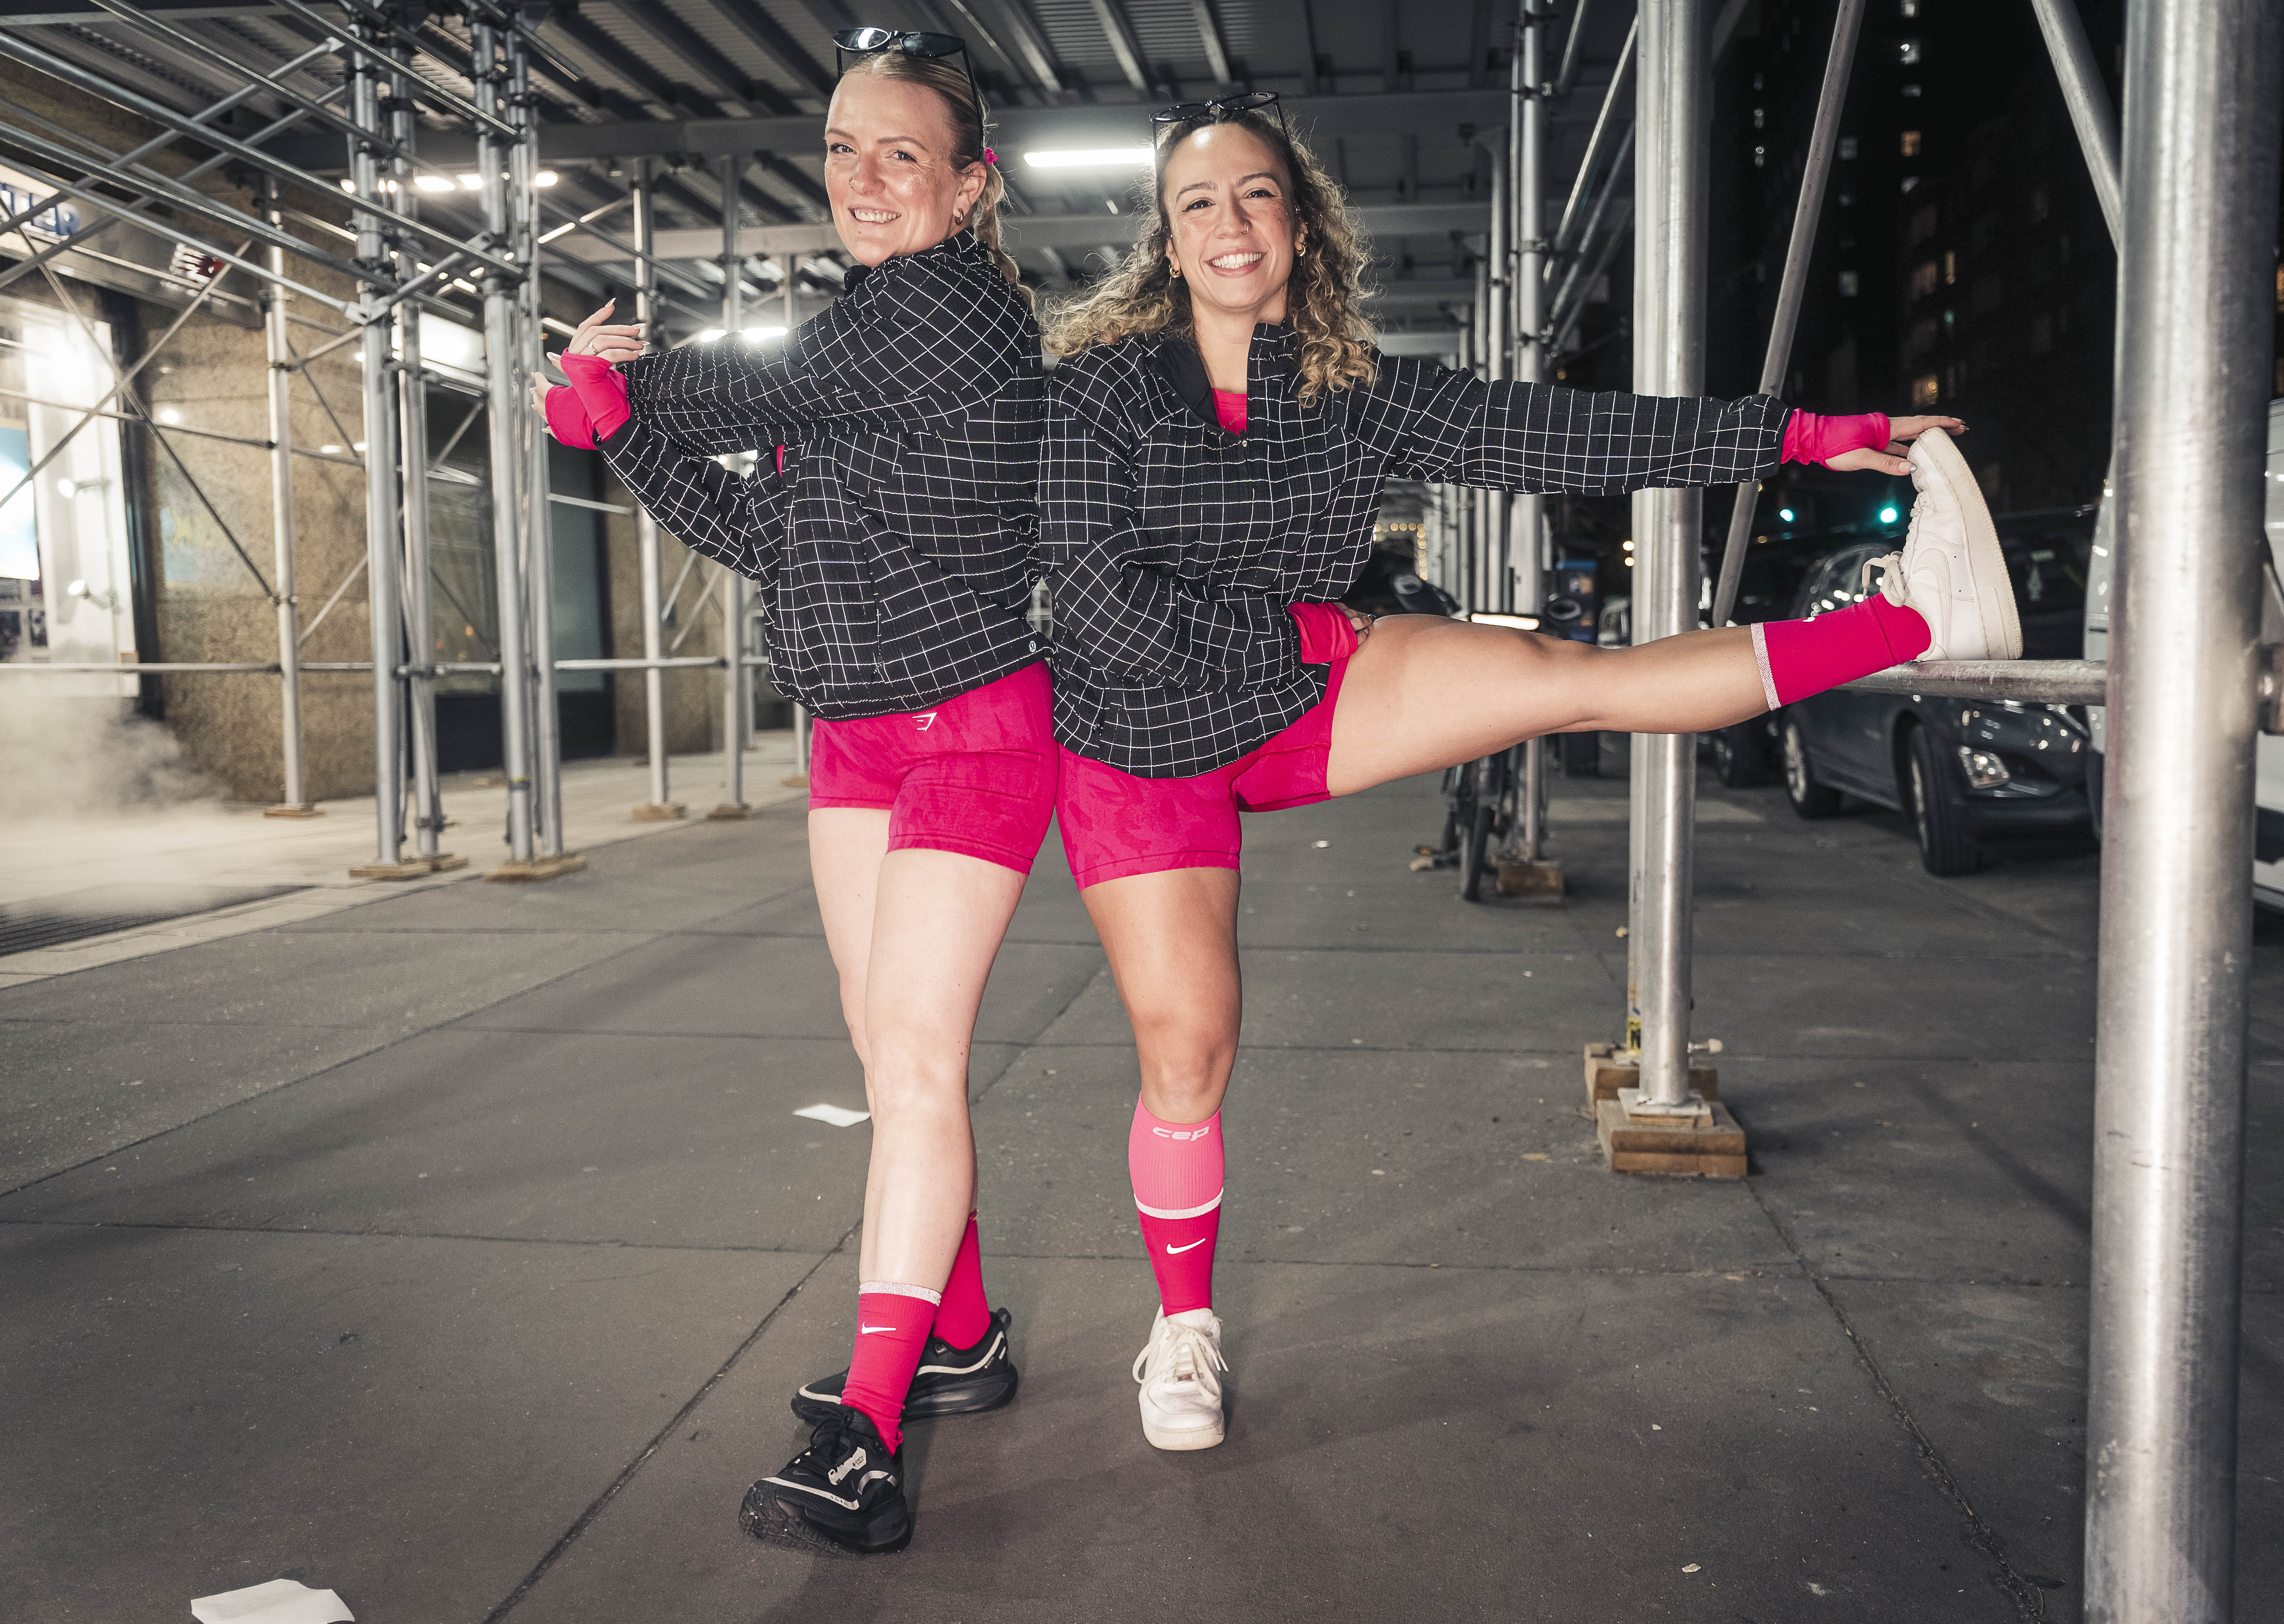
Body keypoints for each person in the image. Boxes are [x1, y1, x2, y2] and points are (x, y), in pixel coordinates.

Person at [1036, 93, 2019, 1454]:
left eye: (1256, 194)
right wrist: (1309, 630)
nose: (1229, 223)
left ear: (1301, 223)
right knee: (1189, 1048)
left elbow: (1571, 436)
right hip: (1139, 737)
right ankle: (1184, 1326)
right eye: (1198, 202)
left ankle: (1915, 618)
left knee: (1566, 674)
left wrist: (1797, 438)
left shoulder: (1355, 396)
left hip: (1296, 699)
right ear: (1165, 236)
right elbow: (1092, 603)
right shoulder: (1095, 392)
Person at [534, 31, 1047, 1558]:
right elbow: (763, 532)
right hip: (853, 738)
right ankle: (960, 1339)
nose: (866, 181)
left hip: (972, 728)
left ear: (972, 182)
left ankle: (871, 1431)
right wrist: (622, 432)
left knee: (913, 1059)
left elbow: (733, 397)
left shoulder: (952, 322)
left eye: (903, 154)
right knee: (887, 1055)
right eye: (842, 150)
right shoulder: (865, 330)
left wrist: (626, 385)